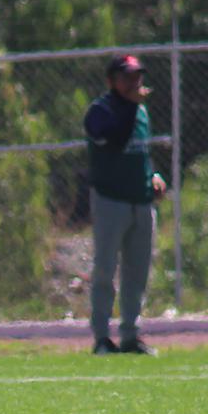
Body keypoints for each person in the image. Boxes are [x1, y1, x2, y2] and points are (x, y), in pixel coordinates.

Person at [84, 55, 166, 356]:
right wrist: (132, 105)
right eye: (127, 77)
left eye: (137, 77)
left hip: (141, 201)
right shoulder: (100, 110)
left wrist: (154, 176)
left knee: (137, 273)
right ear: (112, 80)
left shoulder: (140, 111)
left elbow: (140, 154)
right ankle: (102, 337)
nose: (135, 83)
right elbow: (115, 141)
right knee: (105, 270)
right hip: (111, 200)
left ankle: (131, 334)